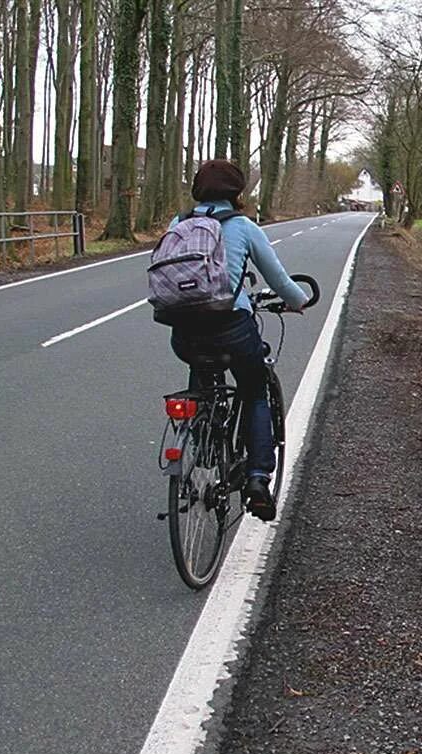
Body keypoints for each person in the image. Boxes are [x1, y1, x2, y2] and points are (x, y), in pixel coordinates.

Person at [167, 159, 308, 521]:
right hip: (231, 327)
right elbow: (277, 278)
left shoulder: (179, 224)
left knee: (200, 374)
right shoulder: (243, 227)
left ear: (197, 190)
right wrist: (298, 301)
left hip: (184, 331)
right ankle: (259, 478)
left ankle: (203, 439)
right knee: (254, 389)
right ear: (237, 194)